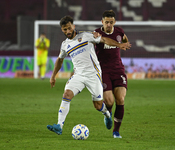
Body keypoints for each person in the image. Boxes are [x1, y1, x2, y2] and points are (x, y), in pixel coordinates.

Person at [47, 16, 131, 135]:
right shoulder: (65, 45)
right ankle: (59, 126)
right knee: (66, 94)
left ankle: (106, 114)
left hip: (93, 75)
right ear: (62, 30)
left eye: (69, 28)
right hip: (79, 75)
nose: (68, 31)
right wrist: (53, 76)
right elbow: (60, 60)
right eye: (65, 29)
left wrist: (118, 44)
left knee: (98, 105)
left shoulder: (87, 35)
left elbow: (105, 40)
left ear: (73, 26)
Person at [95, 10, 131, 138]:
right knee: (109, 102)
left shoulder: (119, 32)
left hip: (118, 70)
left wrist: (125, 44)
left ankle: (116, 131)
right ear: (102, 22)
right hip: (103, 71)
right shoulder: (97, 33)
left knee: (120, 99)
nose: (108, 25)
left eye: (111, 22)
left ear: (114, 22)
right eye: (106, 22)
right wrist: (120, 45)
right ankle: (107, 114)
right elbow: (105, 41)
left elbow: (125, 38)